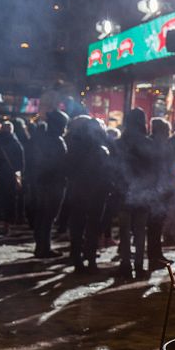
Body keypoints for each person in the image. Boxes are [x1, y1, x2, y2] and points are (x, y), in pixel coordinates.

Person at [115, 108, 157, 279]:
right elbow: (154, 170)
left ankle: (126, 263)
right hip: (143, 192)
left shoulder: (121, 143)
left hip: (125, 191)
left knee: (125, 231)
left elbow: (115, 168)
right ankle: (139, 264)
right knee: (140, 230)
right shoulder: (148, 143)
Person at [65, 116, 111, 273]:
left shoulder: (75, 147)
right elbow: (106, 174)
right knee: (92, 226)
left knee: (77, 226)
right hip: (96, 194)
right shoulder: (102, 150)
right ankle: (90, 259)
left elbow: (69, 169)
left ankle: (77, 259)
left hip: (79, 191)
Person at [30, 110, 69, 258]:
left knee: (42, 215)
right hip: (54, 182)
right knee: (48, 216)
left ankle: (40, 246)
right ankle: (43, 248)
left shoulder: (41, 138)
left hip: (42, 181)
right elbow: (60, 163)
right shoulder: (57, 140)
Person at [146, 117, 174, 271]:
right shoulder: (156, 146)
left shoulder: (154, 144)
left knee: (156, 226)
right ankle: (154, 256)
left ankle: (157, 254)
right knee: (154, 226)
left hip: (160, 189)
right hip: (157, 191)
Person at [0, 121, 24, 233]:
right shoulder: (15, 142)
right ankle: (7, 225)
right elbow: (20, 162)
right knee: (10, 200)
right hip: (10, 176)